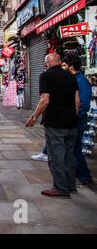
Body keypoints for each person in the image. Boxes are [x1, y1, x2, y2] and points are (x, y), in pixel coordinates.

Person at [26, 53, 79, 198]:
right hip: (72, 123)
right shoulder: (71, 76)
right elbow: (77, 101)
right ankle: (71, 185)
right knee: (69, 156)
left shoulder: (46, 76)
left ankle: (61, 188)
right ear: (60, 61)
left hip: (55, 122)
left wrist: (33, 117)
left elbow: (45, 100)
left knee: (56, 157)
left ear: (46, 64)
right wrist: (73, 117)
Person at [62, 55, 93, 186]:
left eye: (64, 65)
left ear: (71, 66)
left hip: (78, 121)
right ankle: (78, 173)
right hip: (73, 120)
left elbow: (84, 104)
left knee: (75, 148)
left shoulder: (81, 81)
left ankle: (85, 176)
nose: (63, 68)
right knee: (73, 148)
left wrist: (75, 117)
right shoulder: (73, 79)